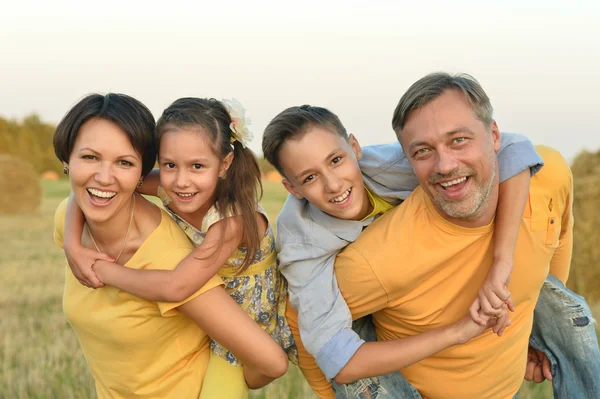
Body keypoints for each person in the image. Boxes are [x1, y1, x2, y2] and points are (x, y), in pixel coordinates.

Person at [264, 73, 599, 398]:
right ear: (291, 188)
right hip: (370, 306)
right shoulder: (304, 245)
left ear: (355, 147)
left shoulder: (398, 162)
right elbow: (334, 355)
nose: (334, 184)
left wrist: (504, 266)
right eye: (309, 177)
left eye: (336, 160)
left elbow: (516, 149)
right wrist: (458, 332)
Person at [53, 93, 288, 399]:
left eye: (197, 166)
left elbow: (177, 287)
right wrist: (73, 245)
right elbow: (96, 188)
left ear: (224, 163)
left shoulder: (232, 221)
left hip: (241, 324)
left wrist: (102, 269)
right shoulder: (166, 185)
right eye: (169, 165)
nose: (181, 181)